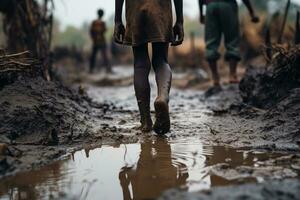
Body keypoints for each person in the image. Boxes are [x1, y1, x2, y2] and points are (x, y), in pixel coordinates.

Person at [114, 0, 184, 134]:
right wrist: (179, 21)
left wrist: (117, 20)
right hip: (160, 7)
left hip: (135, 8)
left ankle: (145, 121)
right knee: (161, 60)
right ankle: (162, 97)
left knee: (140, 64)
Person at [198, 0, 260, 86]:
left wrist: (201, 14)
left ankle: (215, 77)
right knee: (232, 40)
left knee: (211, 43)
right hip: (228, 5)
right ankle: (232, 75)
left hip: (210, 6)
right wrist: (252, 12)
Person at [89, 9, 112, 73]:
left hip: (97, 42)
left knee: (94, 56)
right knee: (103, 55)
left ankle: (91, 69)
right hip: (101, 41)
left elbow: (91, 31)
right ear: (102, 14)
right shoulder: (102, 23)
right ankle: (108, 69)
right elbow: (104, 30)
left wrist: (93, 38)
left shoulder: (95, 22)